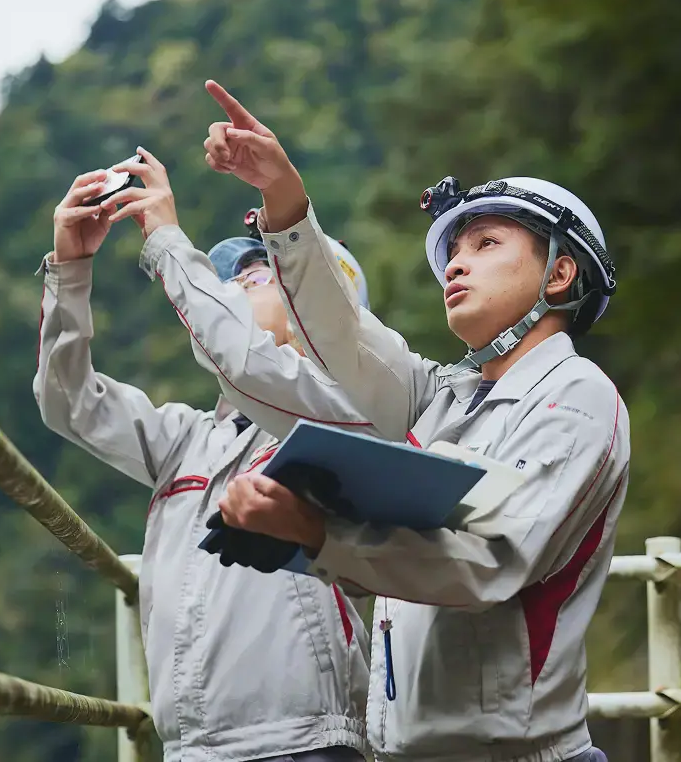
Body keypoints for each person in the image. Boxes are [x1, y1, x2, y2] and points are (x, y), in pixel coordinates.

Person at [200, 81, 626, 762]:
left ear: (559, 274)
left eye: (487, 243)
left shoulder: (576, 397)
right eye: (454, 251)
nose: (456, 262)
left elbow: (489, 564)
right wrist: (283, 199)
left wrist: (316, 532)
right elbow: (344, 337)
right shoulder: (446, 398)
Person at [33, 151, 377, 762]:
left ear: (327, 308)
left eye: (259, 276)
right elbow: (69, 401)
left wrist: (165, 234)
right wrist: (71, 267)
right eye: (231, 282)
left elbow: (241, 357)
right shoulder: (188, 439)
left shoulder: (343, 408)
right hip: (191, 749)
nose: (236, 288)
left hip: (303, 744)